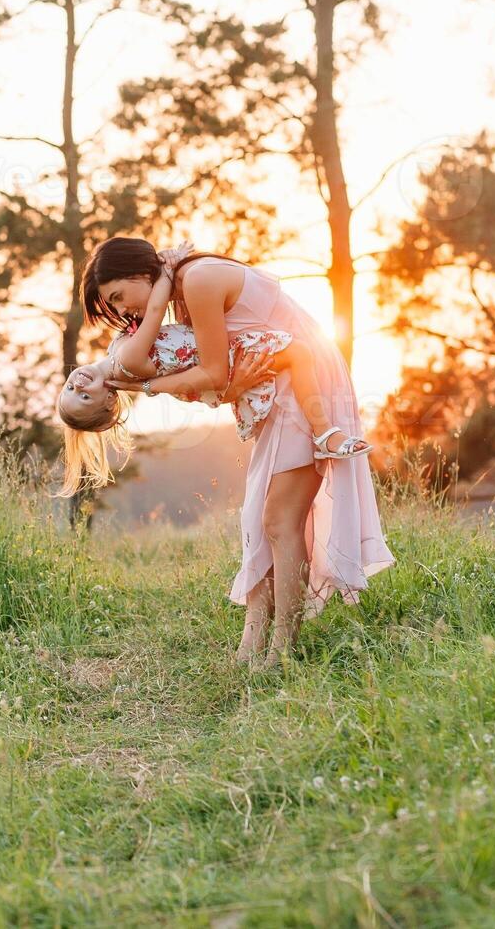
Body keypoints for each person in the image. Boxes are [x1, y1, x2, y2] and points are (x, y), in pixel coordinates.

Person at [73, 237, 395, 667]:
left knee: (279, 521)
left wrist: (146, 387)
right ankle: (255, 644)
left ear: (139, 273)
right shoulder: (182, 289)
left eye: (119, 297)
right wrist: (209, 385)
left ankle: (282, 650)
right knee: (261, 523)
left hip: (303, 381)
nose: (126, 311)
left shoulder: (199, 280)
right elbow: (221, 381)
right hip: (275, 387)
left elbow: (214, 373)